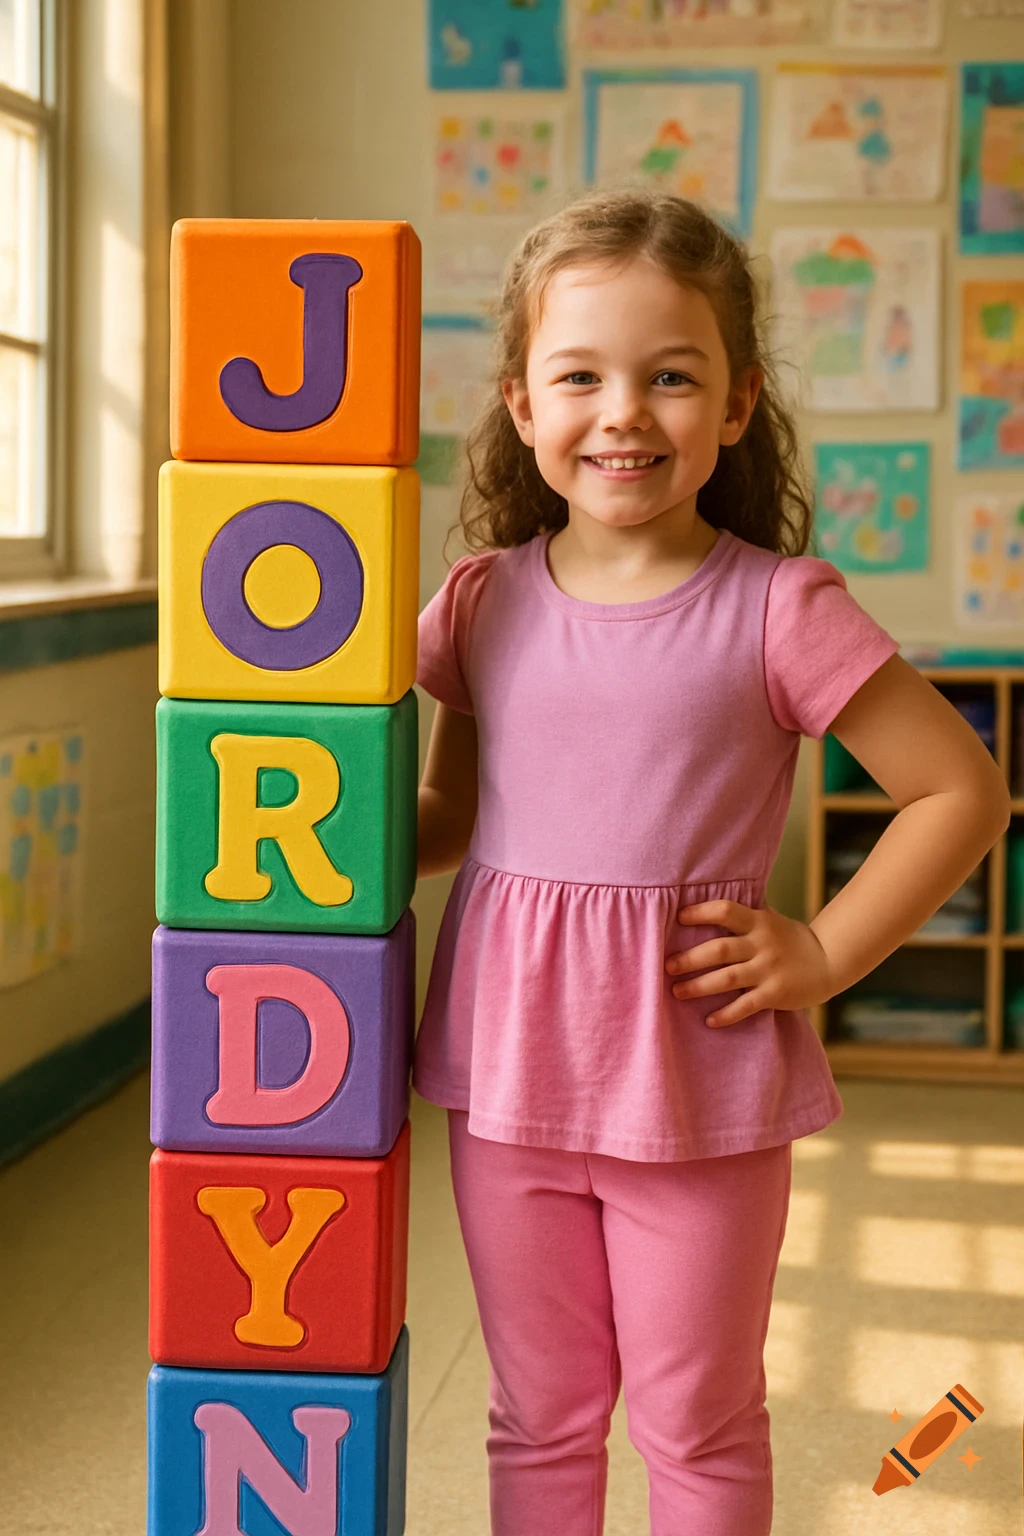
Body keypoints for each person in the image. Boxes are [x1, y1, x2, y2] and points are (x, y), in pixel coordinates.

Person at [412, 188, 1008, 1536]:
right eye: (581, 376)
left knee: (698, 1419)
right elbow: (455, 811)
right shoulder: (479, 604)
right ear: (522, 402)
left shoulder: (779, 608)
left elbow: (958, 789)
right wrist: (308, 870)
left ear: (735, 405)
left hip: (699, 1077)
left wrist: (826, 952)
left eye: (669, 377)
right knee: (540, 1412)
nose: (622, 412)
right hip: (509, 1076)